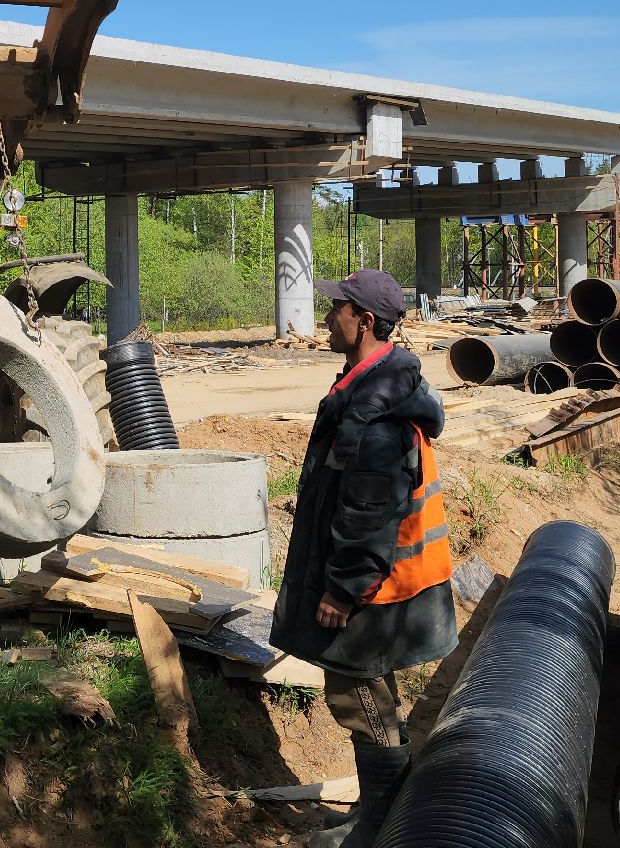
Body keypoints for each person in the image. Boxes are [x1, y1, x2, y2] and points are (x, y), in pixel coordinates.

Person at [270, 269, 457, 848]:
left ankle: (378, 824)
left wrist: (341, 589)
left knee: (360, 699)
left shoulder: (374, 416)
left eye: (337, 309)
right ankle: (374, 812)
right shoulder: (373, 387)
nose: (327, 318)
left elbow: (369, 514)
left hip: (375, 588)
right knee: (373, 697)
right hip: (386, 583)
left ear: (365, 322)